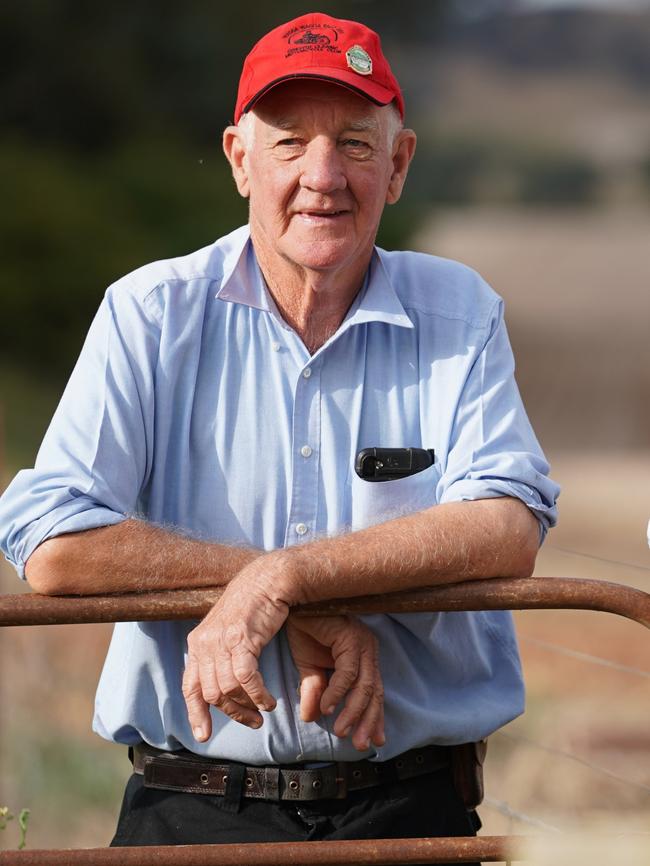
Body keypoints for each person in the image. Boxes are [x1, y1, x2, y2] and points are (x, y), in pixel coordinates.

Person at [0, 11, 559, 856]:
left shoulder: (461, 312)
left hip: (409, 820)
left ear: (399, 165)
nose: (322, 176)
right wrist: (272, 595)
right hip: (187, 811)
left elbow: (508, 526)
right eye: (289, 142)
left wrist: (286, 581)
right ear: (239, 160)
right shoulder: (151, 314)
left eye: (357, 145)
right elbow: (49, 537)